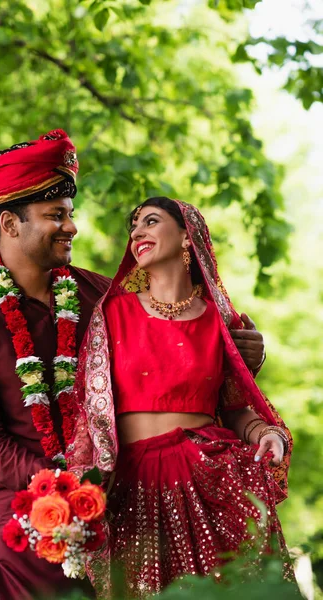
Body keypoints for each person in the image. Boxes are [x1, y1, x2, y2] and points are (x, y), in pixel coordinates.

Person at [0, 131, 264, 600]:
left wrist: (242, 354)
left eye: (70, 214)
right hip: (36, 524)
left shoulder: (107, 299)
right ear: (9, 224)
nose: (71, 227)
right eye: (55, 216)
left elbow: (179, 357)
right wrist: (67, 483)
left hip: (129, 510)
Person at [67, 197, 293, 598]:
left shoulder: (222, 320)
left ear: (188, 237)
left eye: (150, 222)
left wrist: (266, 435)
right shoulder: (112, 312)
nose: (137, 232)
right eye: (133, 226)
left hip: (211, 479)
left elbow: (236, 409)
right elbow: (89, 414)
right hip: (135, 489)